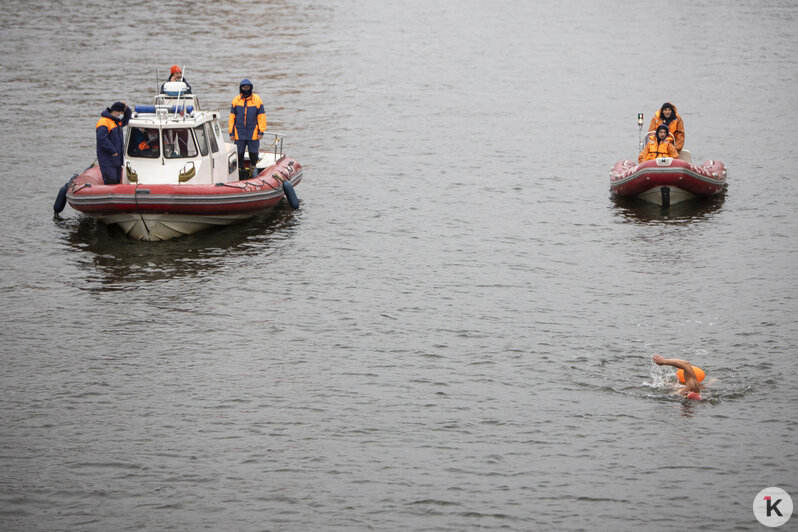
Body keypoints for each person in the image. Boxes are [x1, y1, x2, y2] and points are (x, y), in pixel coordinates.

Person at [229, 78, 267, 179]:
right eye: (244, 87)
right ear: (240, 88)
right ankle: (240, 172)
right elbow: (232, 118)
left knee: (253, 153)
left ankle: (253, 170)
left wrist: (261, 131)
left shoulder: (257, 100)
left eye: (247, 87)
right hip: (239, 133)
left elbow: (261, 116)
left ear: (251, 88)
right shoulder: (236, 100)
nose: (246, 89)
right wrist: (231, 132)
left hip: (253, 132)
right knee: (239, 154)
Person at [95, 101, 131, 185]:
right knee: (111, 180)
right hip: (108, 158)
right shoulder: (103, 122)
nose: (120, 115)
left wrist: (127, 109)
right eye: (120, 113)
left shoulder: (116, 122)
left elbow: (126, 119)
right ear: (115, 111)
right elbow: (102, 139)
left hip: (117, 158)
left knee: (117, 181)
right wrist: (113, 151)